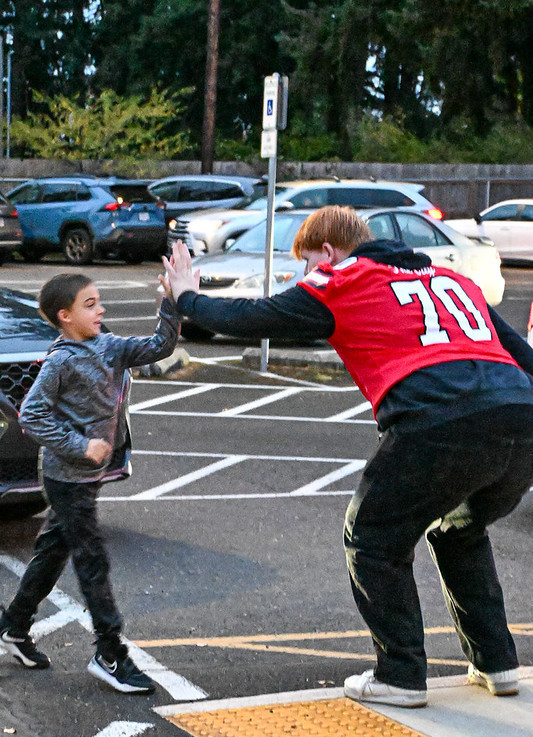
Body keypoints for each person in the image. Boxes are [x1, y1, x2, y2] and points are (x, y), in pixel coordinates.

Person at [161, 206, 533, 708]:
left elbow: (252, 317)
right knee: (459, 530)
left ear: (330, 252)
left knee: (373, 539)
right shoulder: (452, 278)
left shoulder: (341, 279)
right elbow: (523, 356)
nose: (305, 277)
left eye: (308, 263)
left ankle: (401, 675)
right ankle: (497, 663)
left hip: (440, 420)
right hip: (520, 417)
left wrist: (186, 295)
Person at [0, 272, 179, 694]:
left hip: (87, 474)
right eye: (90, 304)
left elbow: (160, 346)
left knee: (52, 551)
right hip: (66, 477)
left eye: (100, 301)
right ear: (65, 316)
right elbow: (31, 415)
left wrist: (171, 303)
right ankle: (110, 653)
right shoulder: (62, 361)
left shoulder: (109, 346)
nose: (100, 310)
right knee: (91, 558)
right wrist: (81, 445)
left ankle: (14, 626)